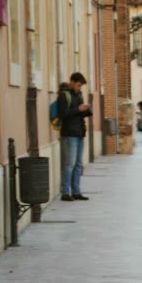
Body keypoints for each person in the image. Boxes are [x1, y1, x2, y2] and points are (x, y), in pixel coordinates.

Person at [58, 72, 92, 201]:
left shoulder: (79, 95)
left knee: (78, 164)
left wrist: (87, 110)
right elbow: (62, 114)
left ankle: (76, 191)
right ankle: (65, 192)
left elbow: (79, 113)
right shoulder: (64, 95)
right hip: (69, 134)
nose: (79, 88)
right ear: (71, 82)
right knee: (69, 164)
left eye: (81, 86)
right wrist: (78, 109)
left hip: (79, 133)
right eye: (78, 85)